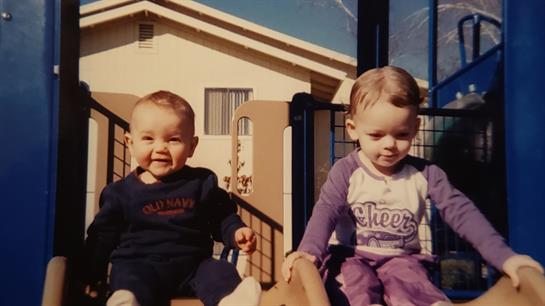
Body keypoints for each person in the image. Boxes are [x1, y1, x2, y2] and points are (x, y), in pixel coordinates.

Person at [281, 66, 544, 306]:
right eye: (376, 135)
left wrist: (504, 257)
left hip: (402, 258)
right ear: (353, 128)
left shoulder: (426, 173)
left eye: (401, 134)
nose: (389, 144)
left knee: (411, 285)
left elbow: (462, 213)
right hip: (352, 256)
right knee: (355, 284)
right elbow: (326, 211)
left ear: (415, 127)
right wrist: (308, 253)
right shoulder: (347, 171)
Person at [84, 90, 261, 306]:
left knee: (219, 271)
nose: (160, 148)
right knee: (129, 279)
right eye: (148, 138)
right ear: (130, 143)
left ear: (192, 146)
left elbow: (221, 215)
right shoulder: (120, 193)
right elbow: (101, 238)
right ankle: (128, 301)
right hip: (141, 265)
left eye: (174, 139)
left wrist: (235, 231)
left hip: (194, 265)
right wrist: (89, 276)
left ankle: (232, 299)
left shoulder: (201, 183)